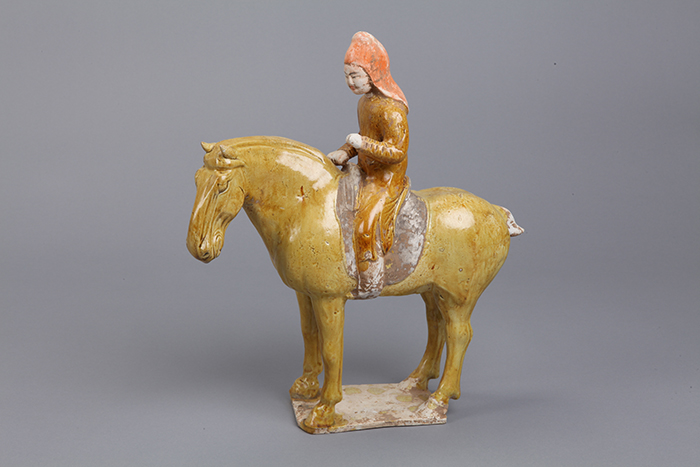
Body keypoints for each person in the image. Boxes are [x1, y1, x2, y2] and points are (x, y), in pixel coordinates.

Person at [327, 31, 410, 298]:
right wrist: (345, 151)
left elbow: (397, 151)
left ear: (373, 74)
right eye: (346, 76)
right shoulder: (365, 103)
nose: (350, 82)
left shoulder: (392, 111)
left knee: (366, 223)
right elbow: (366, 136)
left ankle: (371, 278)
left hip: (385, 180)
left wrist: (362, 144)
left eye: (355, 75)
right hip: (364, 172)